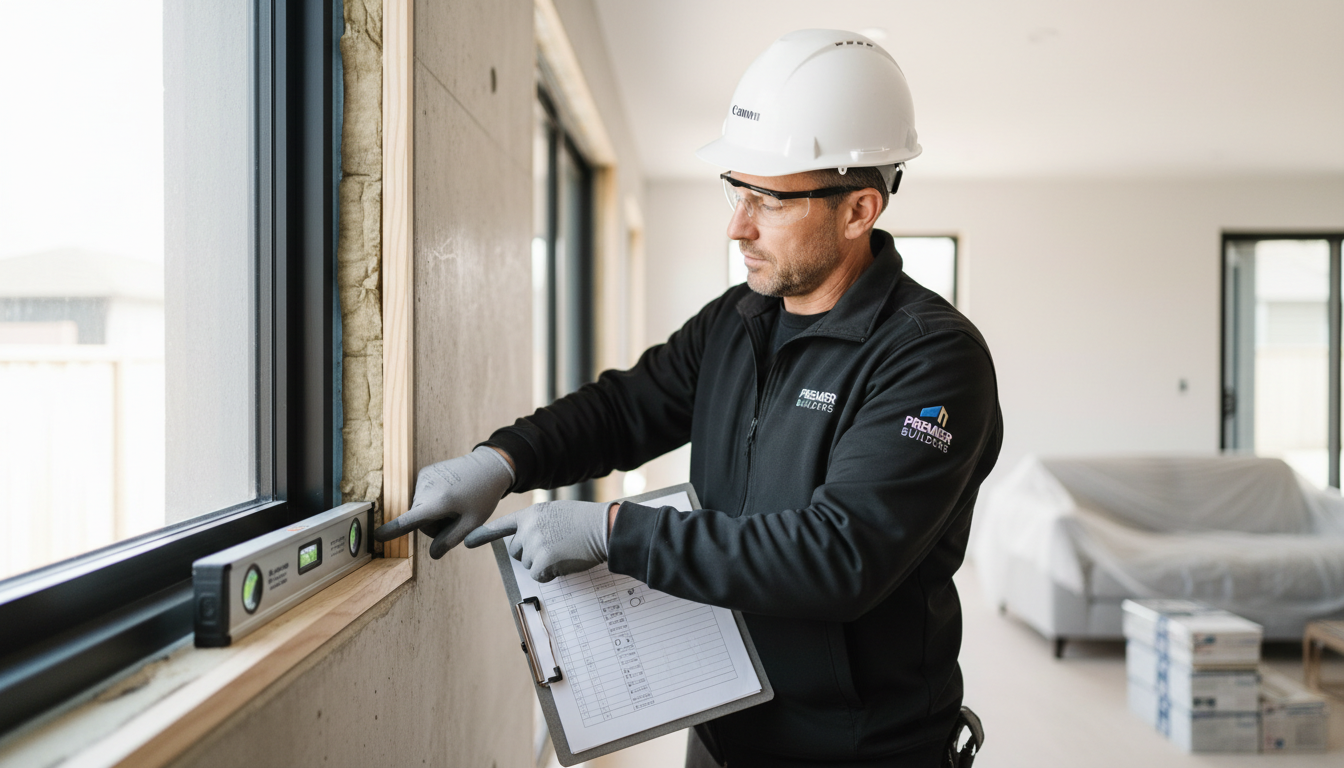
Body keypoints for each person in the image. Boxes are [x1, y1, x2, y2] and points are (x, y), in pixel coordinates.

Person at [375, 29, 1002, 768]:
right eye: (736, 190)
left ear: (860, 209)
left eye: (768, 200)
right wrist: (503, 460)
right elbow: (626, 409)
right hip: (721, 729)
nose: (738, 226)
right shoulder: (738, 321)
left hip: (858, 751)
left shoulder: (930, 358)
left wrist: (616, 531)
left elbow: (839, 555)